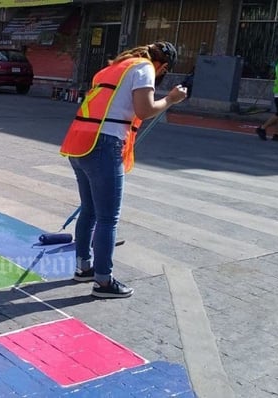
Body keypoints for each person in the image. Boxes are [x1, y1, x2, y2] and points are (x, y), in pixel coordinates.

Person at [59, 42, 188, 298]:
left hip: (79, 142)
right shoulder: (144, 69)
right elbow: (145, 110)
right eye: (162, 72)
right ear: (161, 65)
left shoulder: (112, 68)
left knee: (89, 211)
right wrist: (171, 99)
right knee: (107, 218)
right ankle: (104, 282)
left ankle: (83, 267)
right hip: (104, 144)